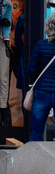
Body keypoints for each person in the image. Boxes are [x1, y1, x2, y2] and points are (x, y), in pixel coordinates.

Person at [28, 12, 55, 141]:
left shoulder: (40, 45)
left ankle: (31, 161)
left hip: (42, 92)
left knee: (36, 132)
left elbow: (31, 71)